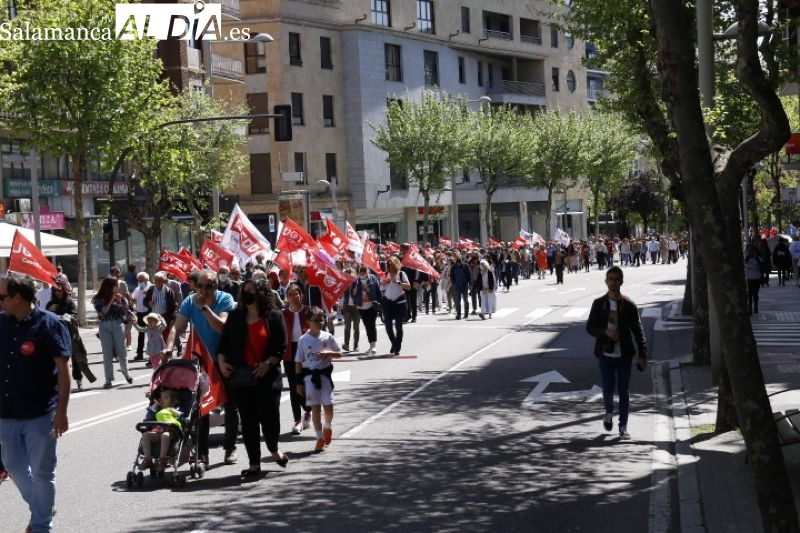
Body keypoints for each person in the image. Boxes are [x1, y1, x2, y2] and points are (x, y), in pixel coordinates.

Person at [0, 273, 71, 533]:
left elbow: (64, 369)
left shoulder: (50, 324)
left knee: (42, 473)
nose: (0, 301)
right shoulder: (2, 323)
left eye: (2, 297)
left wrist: (61, 412)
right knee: (13, 467)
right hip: (7, 412)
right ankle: (43, 507)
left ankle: (41, 526)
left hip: (42, 413)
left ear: (18, 297)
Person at [217, 279, 289, 478]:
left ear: (261, 293)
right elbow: (223, 345)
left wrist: (267, 364)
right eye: (244, 291)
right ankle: (254, 464)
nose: (247, 294)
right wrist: (222, 362)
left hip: (267, 378)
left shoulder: (274, 316)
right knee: (248, 422)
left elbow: (280, 347)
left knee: (270, 420)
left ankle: (273, 448)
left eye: (252, 291)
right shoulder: (235, 316)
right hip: (242, 378)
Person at [165, 269, 236, 466]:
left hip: (224, 358)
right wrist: (169, 346)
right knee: (201, 407)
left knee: (230, 405)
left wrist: (205, 308)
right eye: (201, 286)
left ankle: (230, 449)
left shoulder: (225, 298)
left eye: (210, 286)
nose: (205, 290)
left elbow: (221, 326)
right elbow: (177, 328)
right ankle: (202, 454)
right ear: (196, 286)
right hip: (201, 361)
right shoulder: (190, 301)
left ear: (217, 286)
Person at [585, 266, 648, 440]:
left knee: (624, 391)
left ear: (621, 282)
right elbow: (590, 327)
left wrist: (642, 354)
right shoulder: (599, 304)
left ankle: (623, 426)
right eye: (610, 279)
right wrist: (606, 332)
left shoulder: (628, 305)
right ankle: (608, 413)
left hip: (624, 356)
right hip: (605, 355)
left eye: (616, 279)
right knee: (607, 389)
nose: (613, 282)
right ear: (606, 282)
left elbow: (638, 330)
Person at [295, 306, 342, 452]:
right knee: (315, 408)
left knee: (328, 406)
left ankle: (327, 427)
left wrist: (329, 352)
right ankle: (319, 437)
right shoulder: (303, 340)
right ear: (308, 322)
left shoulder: (327, 337)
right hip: (310, 377)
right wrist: (298, 382)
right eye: (316, 320)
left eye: (322, 319)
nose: (320, 322)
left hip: (324, 375)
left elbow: (339, 353)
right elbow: (298, 362)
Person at [47, 281, 95, 391]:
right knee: (57, 360)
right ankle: (58, 383)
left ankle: (79, 380)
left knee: (76, 359)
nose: (58, 292)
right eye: (55, 290)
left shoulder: (69, 303)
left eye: (59, 290)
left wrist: (61, 316)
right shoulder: (50, 305)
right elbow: (45, 320)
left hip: (70, 335)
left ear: (64, 290)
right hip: (55, 337)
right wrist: (50, 311)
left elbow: (74, 317)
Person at [92, 277, 134, 389]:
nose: (118, 287)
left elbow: (126, 310)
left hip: (117, 324)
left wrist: (132, 316)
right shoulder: (98, 299)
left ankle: (127, 374)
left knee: (122, 351)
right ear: (110, 286)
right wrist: (111, 299)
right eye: (116, 285)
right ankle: (108, 380)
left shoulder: (120, 298)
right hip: (104, 326)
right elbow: (103, 312)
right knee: (107, 354)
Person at [282, 283, 312, 435]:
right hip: (289, 353)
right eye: (290, 294)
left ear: (300, 295)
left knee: (305, 385)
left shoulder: (308, 311)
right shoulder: (283, 313)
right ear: (286, 297)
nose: (293, 297)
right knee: (294, 387)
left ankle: (308, 409)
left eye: (296, 294)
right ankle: (297, 420)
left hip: (306, 352)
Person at [139, 388, 184, 474]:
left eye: (166, 397)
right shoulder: (157, 408)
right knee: (146, 435)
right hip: (158, 431)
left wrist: (174, 412)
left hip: (171, 431)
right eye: (161, 398)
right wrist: (155, 405)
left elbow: (181, 417)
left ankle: (162, 460)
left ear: (173, 401)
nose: (162, 399)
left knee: (165, 435)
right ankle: (147, 459)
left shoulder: (175, 409)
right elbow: (148, 419)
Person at [381, 256, 411, 356]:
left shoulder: (401, 274)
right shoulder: (386, 274)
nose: (390, 267)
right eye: (388, 265)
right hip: (387, 303)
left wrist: (398, 283)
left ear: (396, 264)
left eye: (391, 265)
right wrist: (384, 282)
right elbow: (381, 288)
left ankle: (397, 346)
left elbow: (408, 287)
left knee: (398, 326)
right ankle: (394, 343)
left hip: (399, 304)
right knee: (388, 327)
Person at [355, 265, 381, 354]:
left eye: (364, 271)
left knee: (372, 325)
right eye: (360, 271)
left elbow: (378, 290)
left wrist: (380, 301)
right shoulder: (356, 280)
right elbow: (352, 293)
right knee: (367, 326)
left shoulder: (373, 278)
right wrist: (354, 293)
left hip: (372, 305)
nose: (362, 273)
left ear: (367, 271)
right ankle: (371, 345)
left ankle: (373, 346)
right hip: (361, 306)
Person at [130, 272, 152, 362]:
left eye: (141, 279)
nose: (139, 281)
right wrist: (131, 299)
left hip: (149, 313)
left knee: (151, 335)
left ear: (146, 279)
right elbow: (133, 300)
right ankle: (140, 354)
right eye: (138, 280)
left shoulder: (151, 287)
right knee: (141, 334)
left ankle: (152, 354)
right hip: (139, 313)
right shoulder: (138, 288)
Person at [341, 268, 360, 352]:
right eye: (347, 275)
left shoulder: (357, 283)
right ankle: (346, 344)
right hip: (347, 307)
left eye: (350, 274)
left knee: (356, 327)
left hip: (356, 307)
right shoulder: (344, 283)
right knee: (347, 326)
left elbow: (362, 293)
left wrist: (357, 292)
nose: (348, 276)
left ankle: (356, 345)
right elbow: (340, 293)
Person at [449, 252, 471, 320]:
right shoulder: (453, 267)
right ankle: (458, 314)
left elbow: (469, 275)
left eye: (457, 257)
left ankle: (466, 314)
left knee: (465, 300)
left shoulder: (466, 265)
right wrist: (453, 284)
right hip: (457, 285)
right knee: (457, 301)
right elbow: (451, 276)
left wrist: (470, 284)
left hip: (464, 285)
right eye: (455, 258)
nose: (456, 259)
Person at [745, 247, 763, 315]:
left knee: (755, 294)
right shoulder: (747, 259)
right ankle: (749, 308)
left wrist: (757, 259)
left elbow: (762, 267)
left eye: (753, 252)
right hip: (749, 279)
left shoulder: (759, 259)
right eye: (751, 252)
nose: (752, 253)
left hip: (756, 279)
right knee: (749, 294)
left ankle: (755, 307)